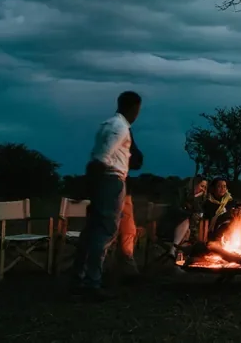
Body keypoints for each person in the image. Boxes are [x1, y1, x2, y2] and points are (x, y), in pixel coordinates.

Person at [72, 91, 142, 297]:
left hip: (104, 180)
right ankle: (92, 283)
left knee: (92, 231)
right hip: (110, 181)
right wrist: (89, 185)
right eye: (138, 110)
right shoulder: (118, 127)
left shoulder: (108, 124)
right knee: (105, 231)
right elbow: (101, 159)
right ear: (133, 108)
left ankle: (80, 278)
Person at [113, 138, 145, 277]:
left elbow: (137, 160)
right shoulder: (118, 131)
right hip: (114, 187)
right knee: (114, 230)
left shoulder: (121, 131)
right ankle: (127, 268)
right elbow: (137, 160)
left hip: (122, 187)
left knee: (129, 230)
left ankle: (126, 265)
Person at [158, 175, 207, 263]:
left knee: (187, 232)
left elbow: (200, 212)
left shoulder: (197, 199)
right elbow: (175, 210)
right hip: (170, 226)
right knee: (186, 224)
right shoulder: (179, 192)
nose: (203, 189)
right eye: (201, 186)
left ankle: (177, 259)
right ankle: (174, 253)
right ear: (194, 184)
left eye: (205, 187)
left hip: (185, 230)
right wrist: (190, 213)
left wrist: (195, 199)